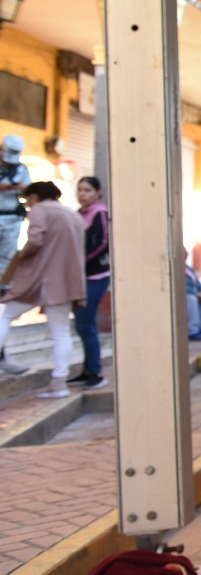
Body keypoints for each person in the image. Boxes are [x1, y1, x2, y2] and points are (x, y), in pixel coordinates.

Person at [0, 182, 86, 397]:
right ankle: (59, 383)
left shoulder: (40, 210)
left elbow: (35, 240)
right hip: (66, 282)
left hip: (41, 279)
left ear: (35, 197)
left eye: (28, 200)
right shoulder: (72, 215)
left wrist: (22, 255)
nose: (28, 205)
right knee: (61, 332)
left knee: (6, 315)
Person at [69, 176, 110, 388]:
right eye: (80, 189)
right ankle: (88, 370)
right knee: (82, 324)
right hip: (80, 276)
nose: (82, 194)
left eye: (87, 190)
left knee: (85, 323)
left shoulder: (100, 213)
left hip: (95, 276)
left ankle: (95, 372)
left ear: (97, 193)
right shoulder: (78, 214)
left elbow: (103, 242)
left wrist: (82, 260)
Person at [0, 135, 28, 277]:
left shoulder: (21, 169)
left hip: (12, 218)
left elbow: (31, 194)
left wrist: (23, 189)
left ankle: (2, 283)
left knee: (7, 255)